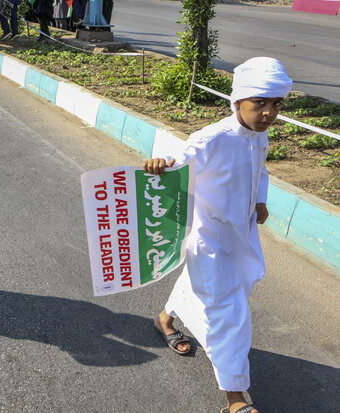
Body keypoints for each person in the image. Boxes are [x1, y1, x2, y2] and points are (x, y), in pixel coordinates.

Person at [144, 57, 292, 413]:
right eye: (260, 103)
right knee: (230, 313)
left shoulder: (258, 135)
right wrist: (161, 162)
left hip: (239, 236)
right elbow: (181, 156)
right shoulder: (214, 137)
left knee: (223, 289)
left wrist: (259, 201)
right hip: (207, 240)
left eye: (276, 104)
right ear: (238, 101)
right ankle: (236, 399)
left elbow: (261, 170)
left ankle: (164, 319)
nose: (269, 113)